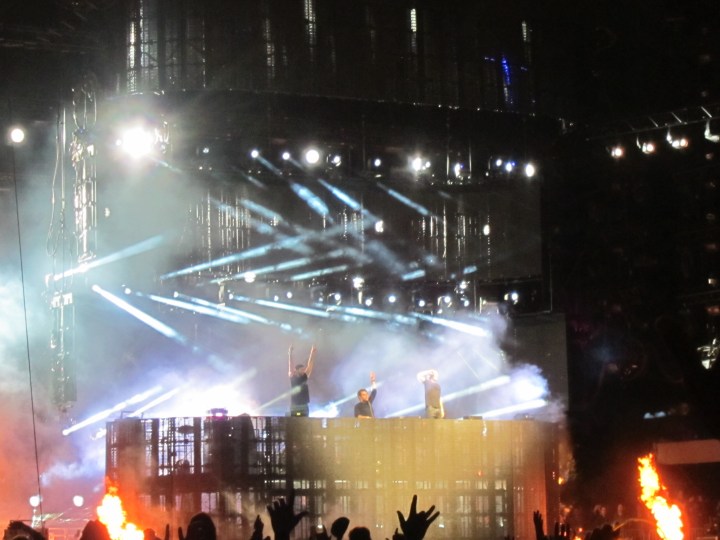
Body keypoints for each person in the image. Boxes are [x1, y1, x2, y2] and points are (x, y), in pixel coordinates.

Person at [288, 343, 317, 416]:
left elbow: (310, 365)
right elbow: (290, 364)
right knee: (294, 421)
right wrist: (290, 353)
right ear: (296, 370)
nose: (303, 370)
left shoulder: (304, 376)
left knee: (305, 420)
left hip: (304, 405)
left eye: (303, 369)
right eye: (301, 369)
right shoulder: (292, 376)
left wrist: (312, 352)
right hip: (295, 405)